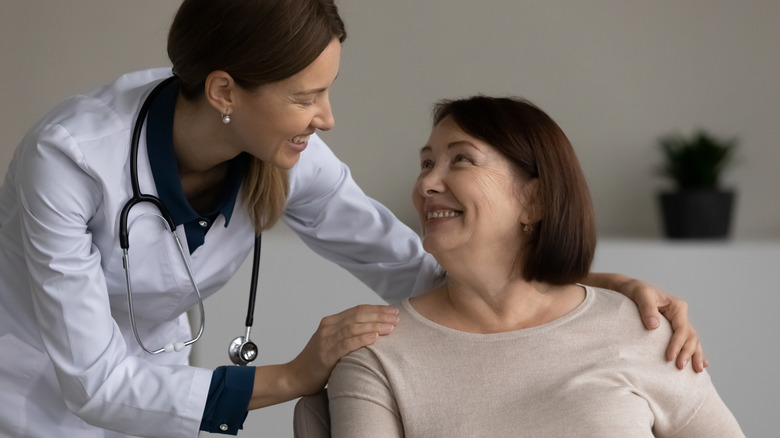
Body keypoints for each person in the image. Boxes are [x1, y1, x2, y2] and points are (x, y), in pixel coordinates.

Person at [0, 1, 701, 437]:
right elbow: (90, 382)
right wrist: (297, 374)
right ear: (224, 91)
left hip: (160, 384)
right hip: (31, 389)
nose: (327, 118)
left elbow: (420, 268)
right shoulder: (71, 161)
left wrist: (591, 291)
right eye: (307, 96)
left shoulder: (288, 153)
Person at [326, 96, 743, 437]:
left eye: (461, 160)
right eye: (426, 163)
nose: (426, 184)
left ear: (535, 201)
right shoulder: (376, 353)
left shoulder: (641, 330)